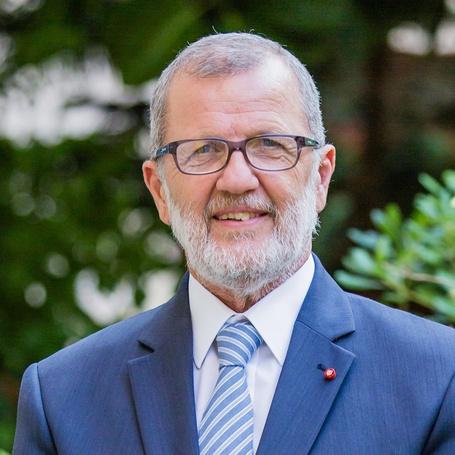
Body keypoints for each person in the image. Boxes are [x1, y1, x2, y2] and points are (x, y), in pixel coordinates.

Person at [14, 32, 455, 455]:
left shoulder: (437, 378)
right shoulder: (63, 398)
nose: (237, 180)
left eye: (270, 145)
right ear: (159, 190)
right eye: (203, 150)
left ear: (321, 177)